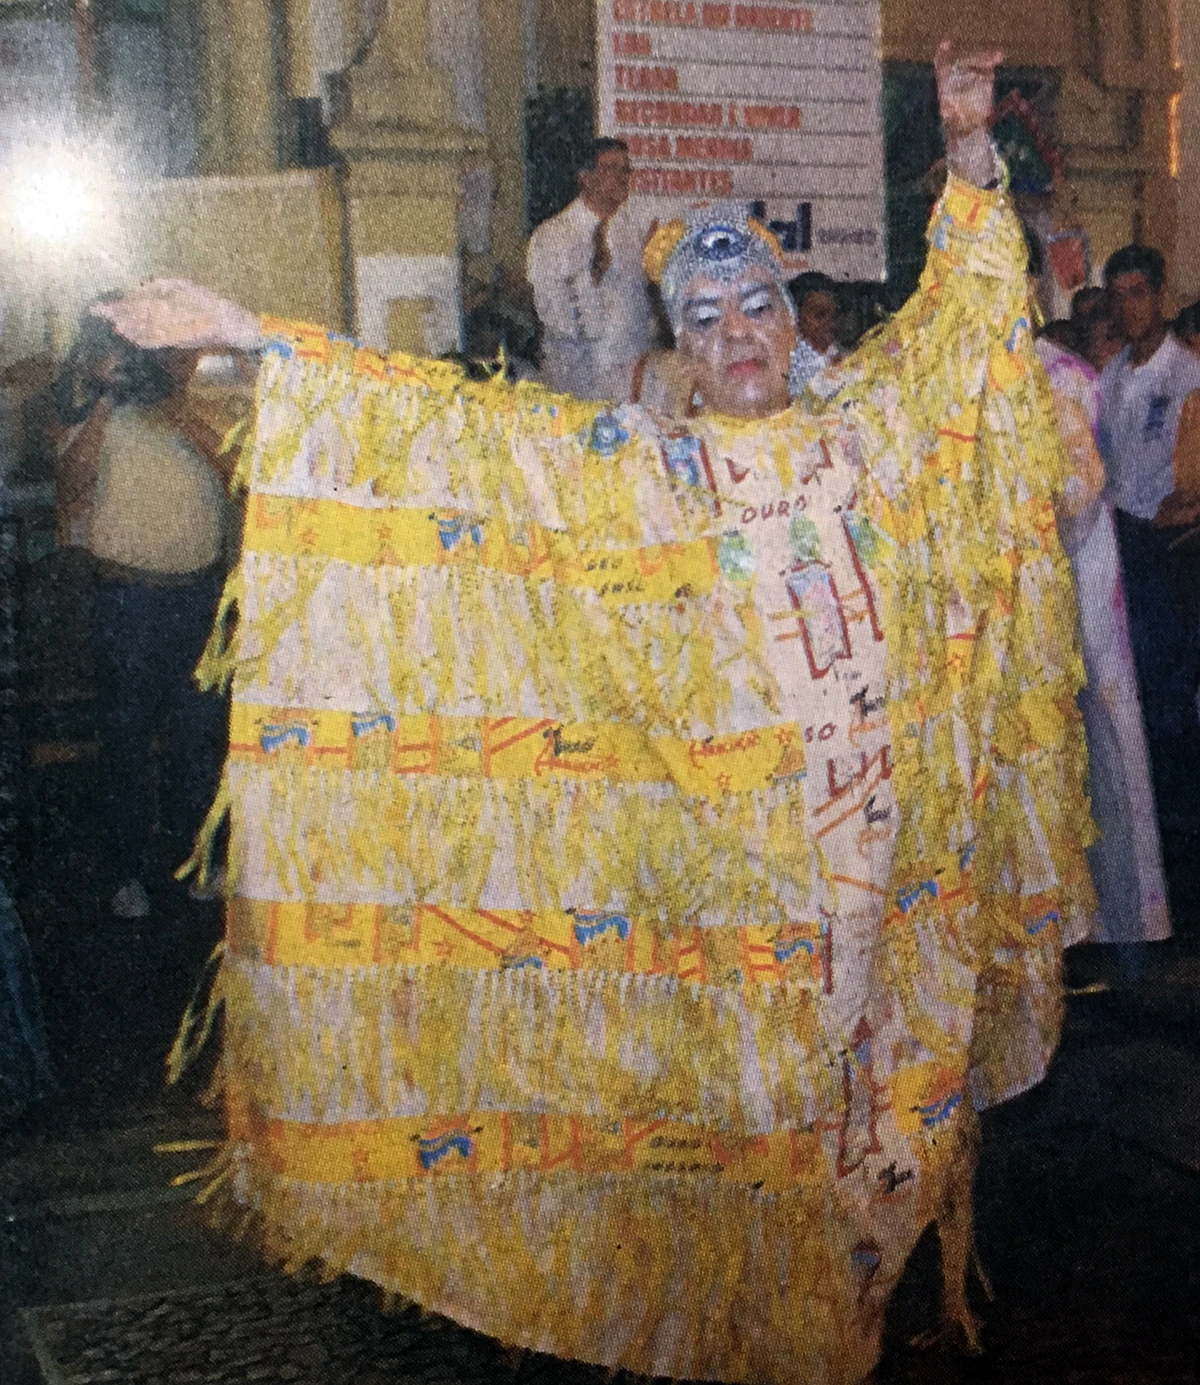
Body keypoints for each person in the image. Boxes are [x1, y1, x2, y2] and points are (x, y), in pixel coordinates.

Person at [96, 46, 1094, 1385]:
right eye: (709, 318)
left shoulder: (877, 428)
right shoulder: (647, 471)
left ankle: (835, 1333)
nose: (741, 336)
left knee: (881, 1128)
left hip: (890, 866)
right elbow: (455, 436)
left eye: (758, 308)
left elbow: (971, 322)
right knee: (752, 1125)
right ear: (677, 342)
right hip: (738, 882)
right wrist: (255, 332)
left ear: (794, 320)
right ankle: (762, 1340)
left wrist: (971, 150)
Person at [53, 318, 236, 918]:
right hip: (127, 602)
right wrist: (108, 401)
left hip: (198, 597)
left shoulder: (205, 409)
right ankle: (127, 874)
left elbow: (241, 477)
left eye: (179, 350)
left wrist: (180, 414)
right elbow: (71, 484)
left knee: (198, 740)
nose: (170, 360)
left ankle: (199, 867)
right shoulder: (101, 411)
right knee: (125, 741)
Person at [1034, 330, 1171, 951]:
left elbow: (1074, 498)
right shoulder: (953, 366)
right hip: (1008, 618)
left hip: (1069, 606)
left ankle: (1108, 937)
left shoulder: (1060, 376)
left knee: (1095, 760)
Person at [1098, 244, 1200, 827]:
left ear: (1160, 297)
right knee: (1128, 704)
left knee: (1168, 711)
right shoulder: (1109, 376)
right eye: (1119, 297)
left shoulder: (1188, 375)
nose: (1129, 308)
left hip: (1168, 557)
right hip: (1119, 551)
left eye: (1139, 294)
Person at [525, 138, 654, 401]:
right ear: (584, 177)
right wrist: (595, 272)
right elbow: (554, 319)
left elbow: (643, 312)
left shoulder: (633, 234)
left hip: (632, 385)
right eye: (610, 169)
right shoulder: (552, 236)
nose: (621, 177)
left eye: (625, 170)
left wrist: (658, 268)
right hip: (579, 385)